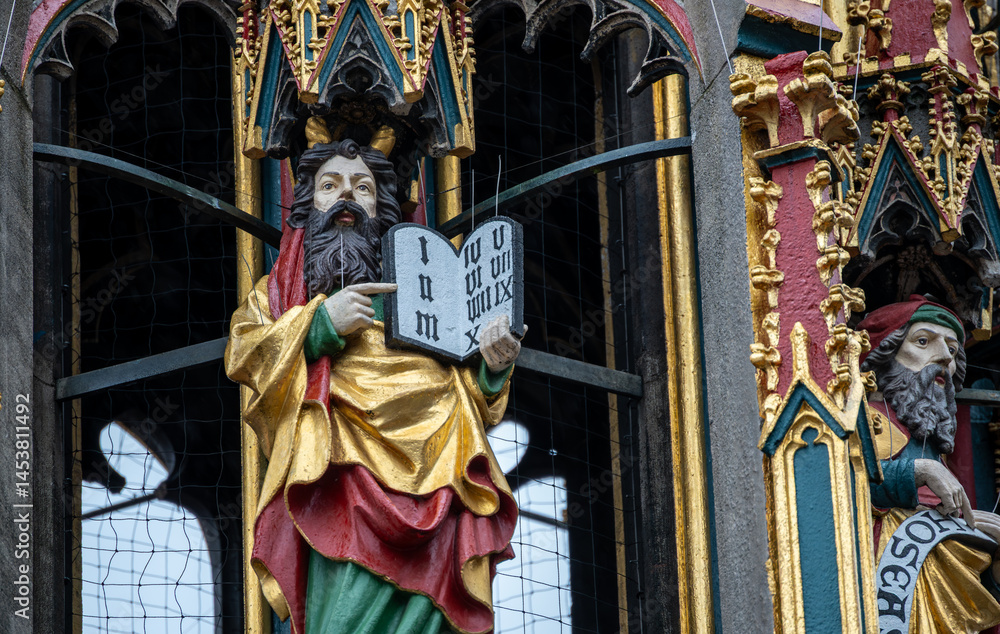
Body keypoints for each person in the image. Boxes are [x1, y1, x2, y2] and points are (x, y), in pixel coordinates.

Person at [225, 137, 521, 634]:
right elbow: (246, 352)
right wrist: (319, 323)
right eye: (330, 186)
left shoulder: (427, 287)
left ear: (381, 207)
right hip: (339, 479)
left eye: (362, 188)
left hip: (442, 475)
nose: (346, 198)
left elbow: (475, 394)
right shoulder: (278, 293)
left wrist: (493, 367)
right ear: (308, 204)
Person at [860, 296, 1000, 632]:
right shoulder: (865, 421)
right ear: (884, 355)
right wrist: (918, 472)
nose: (944, 357)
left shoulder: (934, 442)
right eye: (923, 342)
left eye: (953, 349)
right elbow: (836, 485)